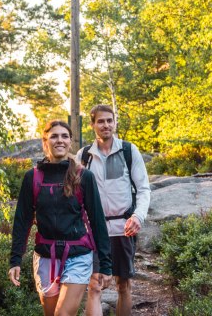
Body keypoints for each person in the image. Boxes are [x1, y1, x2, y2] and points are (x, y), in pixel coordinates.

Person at [9, 120, 112, 316]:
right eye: (54, 136)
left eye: (64, 136)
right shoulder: (33, 177)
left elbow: (97, 222)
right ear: (45, 141)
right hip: (45, 256)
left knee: (62, 314)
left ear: (70, 142)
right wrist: (15, 259)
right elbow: (22, 221)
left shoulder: (84, 176)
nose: (60, 140)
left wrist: (105, 265)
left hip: (78, 255)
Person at [79, 105, 151, 316]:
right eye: (101, 121)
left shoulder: (129, 151)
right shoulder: (84, 156)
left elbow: (144, 188)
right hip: (93, 232)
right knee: (94, 286)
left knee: (124, 285)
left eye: (110, 120)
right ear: (92, 125)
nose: (106, 125)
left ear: (115, 123)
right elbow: (74, 194)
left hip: (123, 228)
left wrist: (138, 216)